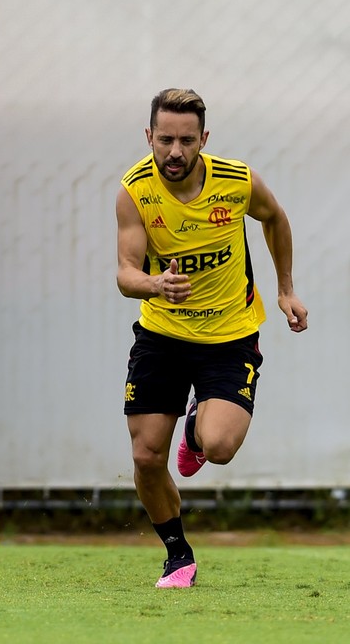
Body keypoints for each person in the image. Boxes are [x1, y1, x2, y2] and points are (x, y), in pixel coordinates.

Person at [115, 88, 308, 588]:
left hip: (230, 335)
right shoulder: (135, 190)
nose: (174, 152)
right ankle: (178, 554)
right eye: (164, 140)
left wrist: (286, 290)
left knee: (219, 447)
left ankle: (199, 419)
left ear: (203, 139)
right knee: (145, 457)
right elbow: (125, 274)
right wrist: (156, 284)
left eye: (185, 140)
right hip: (162, 335)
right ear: (149, 137)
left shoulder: (236, 181)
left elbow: (275, 218)